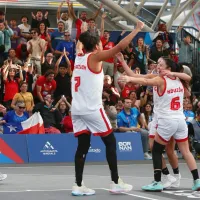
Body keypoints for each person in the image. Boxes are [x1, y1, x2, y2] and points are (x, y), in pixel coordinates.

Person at [71, 21, 145, 196]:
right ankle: (116, 181)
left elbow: (81, 43)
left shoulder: (79, 56)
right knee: (110, 142)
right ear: (96, 46)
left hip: (76, 109)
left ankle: (78, 184)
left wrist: (83, 32)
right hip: (92, 109)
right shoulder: (94, 57)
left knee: (82, 146)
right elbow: (120, 46)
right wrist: (137, 29)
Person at [118, 56, 200, 191]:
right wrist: (126, 68)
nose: (158, 66)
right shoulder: (179, 80)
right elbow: (188, 78)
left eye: (161, 65)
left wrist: (130, 79)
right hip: (179, 120)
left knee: (156, 150)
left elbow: (143, 80)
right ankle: (197, 180)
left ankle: (157, 181)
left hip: (167, 120)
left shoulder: (161, 79)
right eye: (158, 64)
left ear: (168, 68)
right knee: (185, 151)